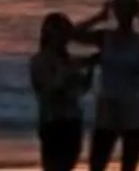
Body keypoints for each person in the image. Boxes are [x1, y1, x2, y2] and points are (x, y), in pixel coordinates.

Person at [79, 0, 139, 171]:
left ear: (134, 10)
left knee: (129, 166)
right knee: (97, 164)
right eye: (120, 7)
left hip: (133, 106)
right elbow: (74, 33)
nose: (124, 12)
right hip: (108, 104)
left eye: (128, 7)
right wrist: (98, 17)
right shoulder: (105, 37)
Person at [28, 12, 91, 171]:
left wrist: (88, 73)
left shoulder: (67, 59)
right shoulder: (39, 60)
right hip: (52, 122)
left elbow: (81, 90)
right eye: (61, 33)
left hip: (72, 121)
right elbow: (48, 89)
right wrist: (66, 73)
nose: (65, 39)